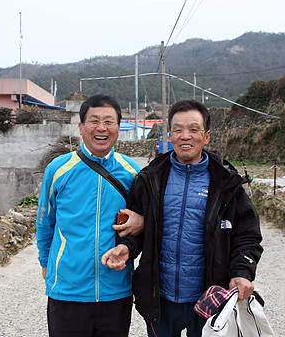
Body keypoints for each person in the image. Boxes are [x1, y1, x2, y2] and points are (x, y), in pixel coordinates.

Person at [102, 99, 263, 337]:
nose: (185, 136)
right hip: (160, 300)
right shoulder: (150, 179)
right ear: (170, 134)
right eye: (178, 129)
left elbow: (247, 235)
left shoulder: (227, 183)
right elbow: (138, 227)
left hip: (210, 300)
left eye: (193, 129)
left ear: (206, 136)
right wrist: (126, 247)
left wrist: (242, 271)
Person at [36, 94, 143, 337]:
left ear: (119, 127)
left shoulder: (132, 172)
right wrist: (45, 263)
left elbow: (144, 226)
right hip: (67, 291)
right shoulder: (58, 169)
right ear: (81, 127)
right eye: (94, 121)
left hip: (115, 290)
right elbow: (45, 222)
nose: (101, 128)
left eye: (109, 121)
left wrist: (142, 222)